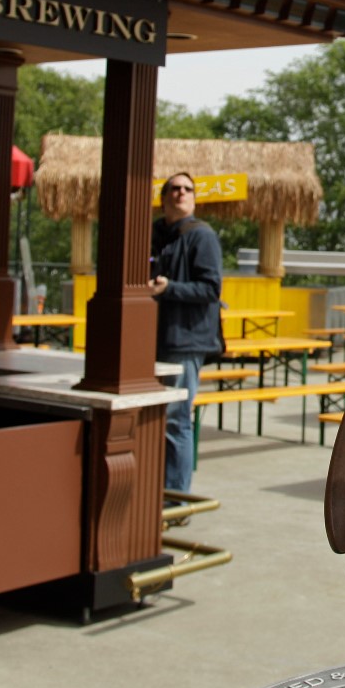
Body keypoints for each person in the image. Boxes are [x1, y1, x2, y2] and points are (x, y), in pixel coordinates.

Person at [148, 172, 222, 493]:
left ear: (193, 198)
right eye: (174, 189)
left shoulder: (202, 236)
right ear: (163, 198)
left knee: (176, 419)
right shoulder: (153, 233)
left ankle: (176, 499)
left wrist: (169, 288)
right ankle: (155, 493)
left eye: (186, 189)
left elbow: (210, 289)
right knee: (154, 422)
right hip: (151, 340)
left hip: (185, 341)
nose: (180, 193)